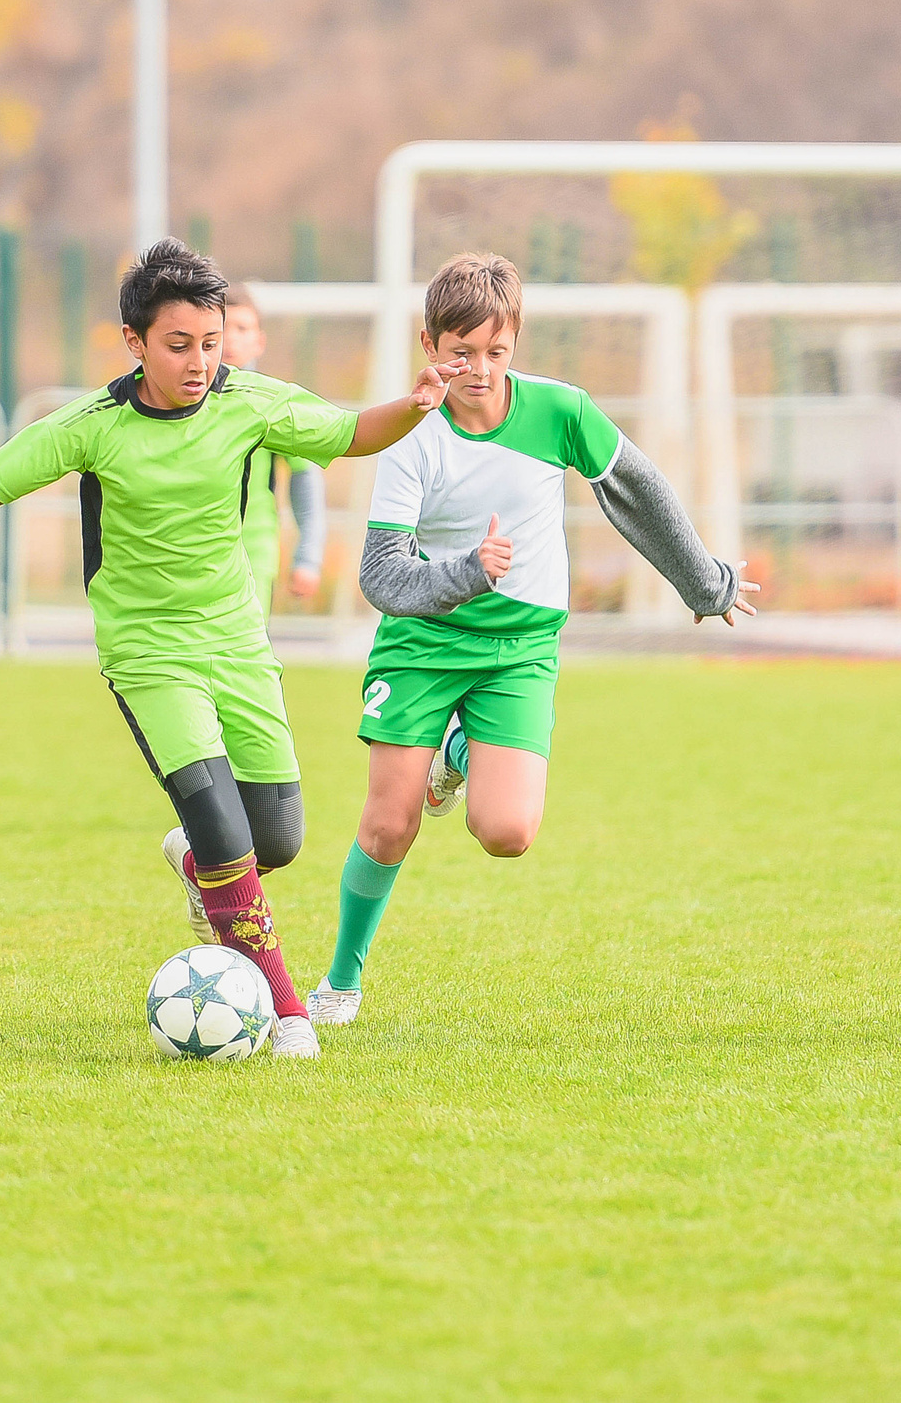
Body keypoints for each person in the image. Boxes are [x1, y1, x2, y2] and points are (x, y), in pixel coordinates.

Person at [0, 238, 467, 1061]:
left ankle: (196, 862)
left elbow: (351, 433)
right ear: (135, 341)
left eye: (211, 344)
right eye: (179, 345)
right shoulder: (95, 425)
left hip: (236, 642)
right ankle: (285, 1011)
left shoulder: (249, 402)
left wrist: (418, 402)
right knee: (226, 832)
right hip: (149, 654)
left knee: (277, 838)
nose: (198, 361)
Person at [310, 253, 758, 1025]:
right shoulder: (412, 437)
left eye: (495, 351)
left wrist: (702, 581)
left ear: (515, 344)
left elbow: (639, 491)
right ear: (429, 343)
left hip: (521, 648)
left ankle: (455, 755)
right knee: (390, 822)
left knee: (508, 832)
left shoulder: (562, 412)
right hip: (424, 642)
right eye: (460, 352)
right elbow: (382, 578)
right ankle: (340, 983)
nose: (478, 369)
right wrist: (465, 573)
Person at [221, 283, 329, 616]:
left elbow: (304, 482)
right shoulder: (186, 401)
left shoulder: (273, 406)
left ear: (259, 341)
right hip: (193, 557)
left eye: (241, 328)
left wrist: (308, 557)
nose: (231, 338)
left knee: (248, 659)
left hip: (254, 553)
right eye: (221, 328)